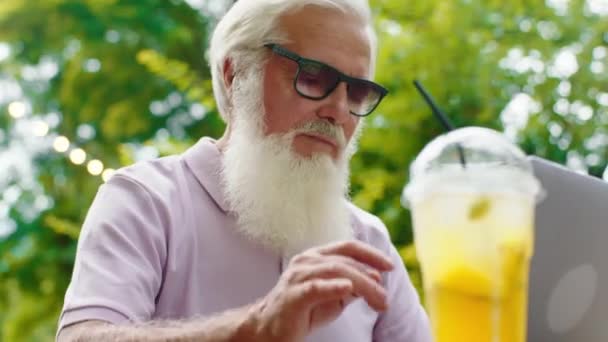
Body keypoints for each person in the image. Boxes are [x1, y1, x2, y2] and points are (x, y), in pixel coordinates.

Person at [56, 0, 432, 341]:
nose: (338, 110)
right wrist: (255, 327)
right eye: (313, 77)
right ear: (236, 74)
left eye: (356, 92)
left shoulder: (368, 241)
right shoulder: (149, 200)